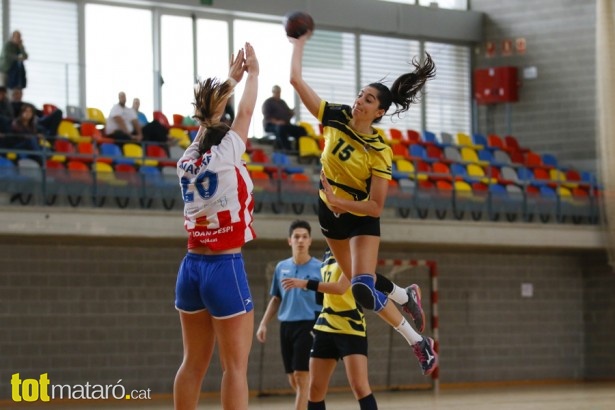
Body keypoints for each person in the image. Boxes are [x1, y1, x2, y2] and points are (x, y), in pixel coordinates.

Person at [289, 32, 439, 376]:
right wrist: (298, 41)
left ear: (379, 111)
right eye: (360, 94)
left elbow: (375, 207)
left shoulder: (379, 150)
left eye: (369, 99)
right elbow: (296, 80)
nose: (360, 101)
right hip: (330, 214)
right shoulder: (337, 116)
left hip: (358, 217)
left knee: (360, 288)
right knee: (364, 287)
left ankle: (417, 342)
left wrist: (341, 201)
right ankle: (404, 295)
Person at [173, 42, 258, 410]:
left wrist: (230, 81)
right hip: (224, 267)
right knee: (234, 368)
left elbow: (206, 125)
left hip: (190, 267)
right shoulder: (226, 156)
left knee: (192, 363)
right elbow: (245, 115)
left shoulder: (187, 162)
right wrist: (252, 75)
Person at [283, 248, 427, 410]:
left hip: (351, 326)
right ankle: (405, 297)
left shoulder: (353, 249)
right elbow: (329, 294)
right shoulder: (327, 253)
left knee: (359, 386)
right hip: (326, 325)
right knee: (315, 389)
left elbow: (340, 288)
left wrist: (305, 283)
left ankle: (406, 301)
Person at [256, 220, 322, 410]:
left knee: (302, 377)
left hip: (309, 325)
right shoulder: (281, 267)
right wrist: (263, 323)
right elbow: (276, 298)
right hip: (286, 326)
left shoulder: (319, 268)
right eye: (296, 236)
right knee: (294, 380)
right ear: (289, 241)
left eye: (304, 237)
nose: (300, 240)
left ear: (310, 241)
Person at [262, 84, 307, 152]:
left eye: (279, 92)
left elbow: (288, 114)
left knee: (301, 130)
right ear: (273, 92)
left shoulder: (282, 102)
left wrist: (293, 112)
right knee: (281, 128)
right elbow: (267, 117)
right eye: (276, 92)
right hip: (271, 125)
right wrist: (277, 122)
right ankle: (287, 149)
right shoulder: (268, 102)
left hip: (285, 124)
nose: (278, 94)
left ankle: (298, 150)